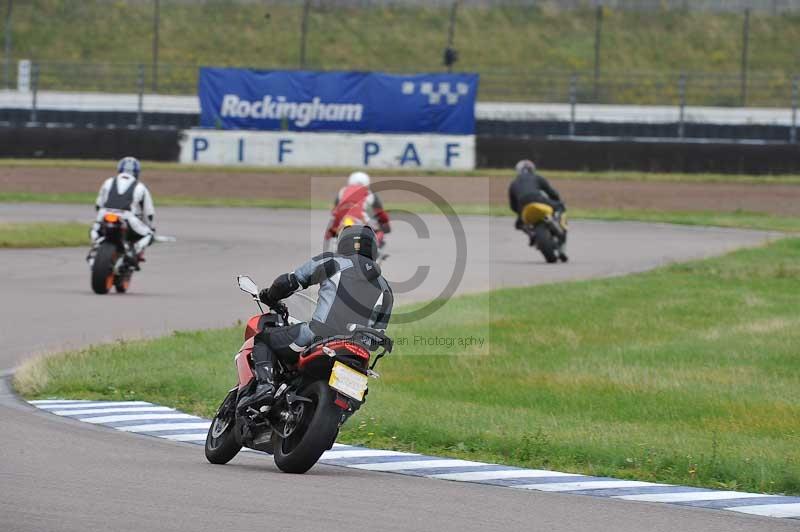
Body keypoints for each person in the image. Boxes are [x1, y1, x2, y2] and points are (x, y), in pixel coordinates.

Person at [238, 224, 394, 411]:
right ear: (373, 249)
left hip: (319, 335)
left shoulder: (333, 262)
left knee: (263, 339)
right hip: (357, 352)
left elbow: (290, 281)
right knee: (357, 393)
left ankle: (265, 387)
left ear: (344, 244)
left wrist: (269, 296)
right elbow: (377, 336)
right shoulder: (386, 291)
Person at [90, 157, 155, 269]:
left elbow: (98, 205)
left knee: (94, 229)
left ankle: (95, 247)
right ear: (137, 172)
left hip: (105, 214)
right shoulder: (140, 187)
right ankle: (135, 251)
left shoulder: (108, 182)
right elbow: (149, 213)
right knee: (149, 234)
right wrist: (148, 226)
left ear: (119, 169)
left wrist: (101, 216)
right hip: (127, 217)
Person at [508, 159, 567, 258]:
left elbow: (513, 206)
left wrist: (519, 213)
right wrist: (557, 202)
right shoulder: (537, 177)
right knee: (561, 206)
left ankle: (531, 233)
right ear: (532, 169)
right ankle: (559, 226)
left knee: (518, 224)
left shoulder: (513, 183)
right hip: (538, 198)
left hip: (523, 205)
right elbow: (552, 193)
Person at [324, 171, 391, 252]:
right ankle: (376, 249)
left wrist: (331, 230)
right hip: (361, 220)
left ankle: (334, 246)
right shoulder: (370, 193)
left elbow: (334, 211)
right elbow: (381, 213)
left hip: (343, 221)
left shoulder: (343, 191)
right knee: (379, 231)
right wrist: (386, 225)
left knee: (334, 231)